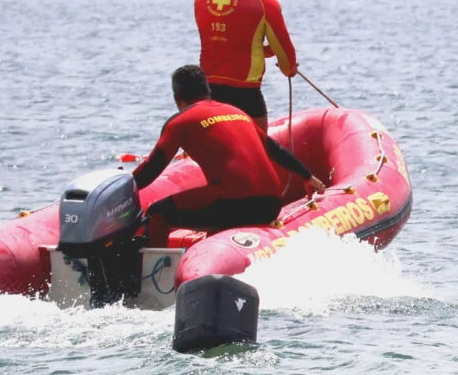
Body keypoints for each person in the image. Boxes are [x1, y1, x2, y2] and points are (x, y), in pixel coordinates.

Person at [133, 65, 326, 247]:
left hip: (232, 204)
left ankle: (147, 280)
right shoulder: (237, 112)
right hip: (270, 204)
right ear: (208, 90)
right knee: (213, 201)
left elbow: (152, 168)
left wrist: (126, 187)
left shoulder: (179, 122)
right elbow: (275, 149)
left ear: (177, 98)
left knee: (157, 213)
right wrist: (307, 176)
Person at [194, 0, 297, 130]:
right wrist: (289, 68)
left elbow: (225, 39)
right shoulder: (265, 2)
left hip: (206, 95)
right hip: (245, 96)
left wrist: (260, 50)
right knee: (257, 154)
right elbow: (287, 61)